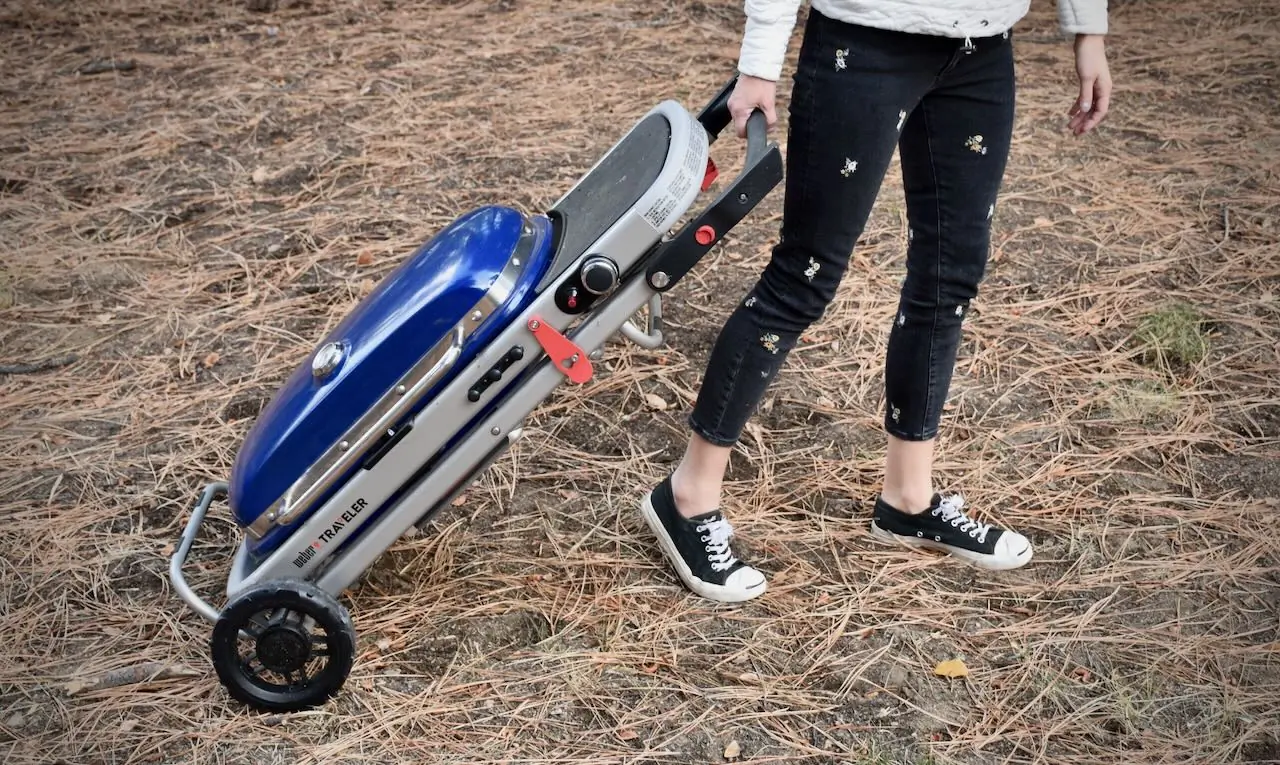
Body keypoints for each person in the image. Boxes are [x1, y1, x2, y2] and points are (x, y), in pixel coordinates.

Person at [639, 0, 1112, 602]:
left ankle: (908, 499)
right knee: (804, 276)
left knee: (950, 277)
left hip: (983, 48)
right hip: (863, 42)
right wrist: (759, 62)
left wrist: (1088, 30)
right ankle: (687, 495)